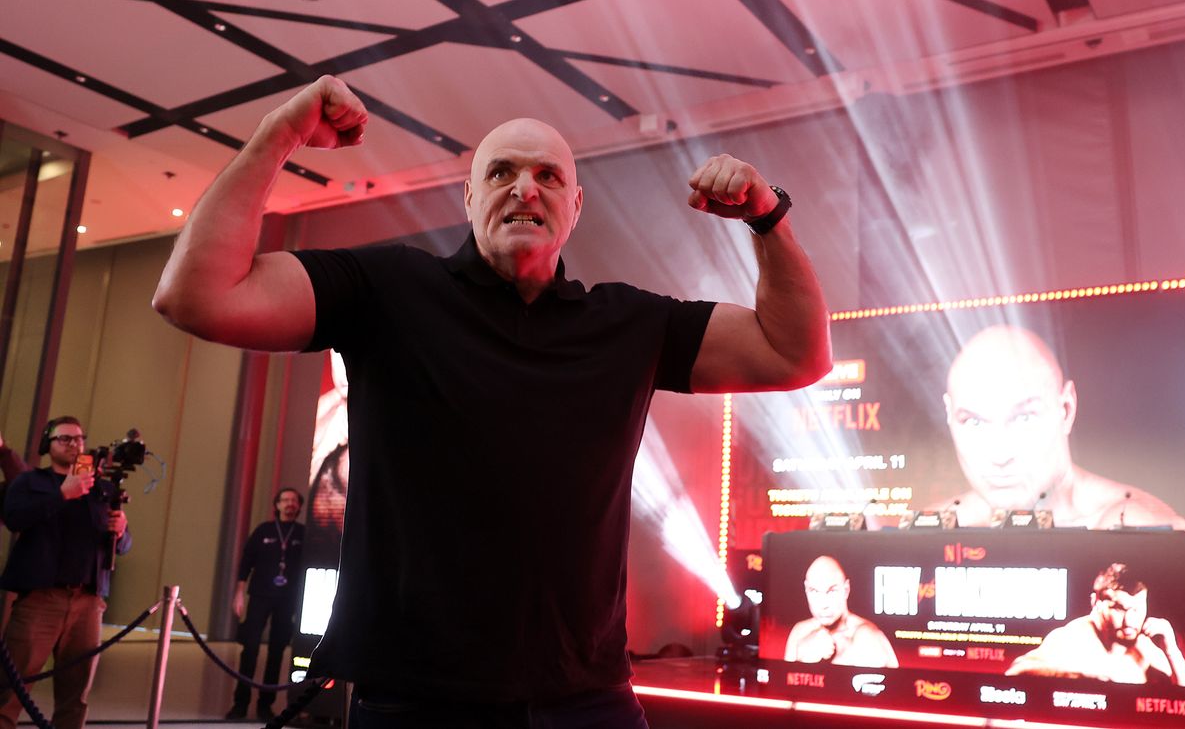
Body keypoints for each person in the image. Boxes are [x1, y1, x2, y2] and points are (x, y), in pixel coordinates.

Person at [152, 75, 831, 727]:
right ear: (470, 198)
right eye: (501, 173)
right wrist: (279, 134)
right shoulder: (388, 290)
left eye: (548, 176)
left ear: (575, 206)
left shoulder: (628, 325)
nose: (524, 190)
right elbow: (198, 295)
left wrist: (768, 219)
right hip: (415, 702)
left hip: (587, 698)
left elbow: (795, 354)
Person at [930, 325, 1185, 529]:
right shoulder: (926, 536)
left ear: (1066, 409)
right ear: (949, 415)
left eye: (1024, 418)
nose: (999, 455)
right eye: (974, 422)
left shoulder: (1144, 532)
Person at [0, 416, 132, 729]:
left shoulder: (102, 489)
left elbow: (121, 546)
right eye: (65, 439)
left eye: (79, 438)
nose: (74, 444)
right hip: (40, 600)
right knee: (11, 690)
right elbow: (15, 519)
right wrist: (62, 494)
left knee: (76, 695)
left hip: (88, 601)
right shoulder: (30, 482)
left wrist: (123, 532)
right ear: (48, 445)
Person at [1006, 563, 1185, 686]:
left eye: (1137, 610)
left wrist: (1172, 651)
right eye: (1119, 609)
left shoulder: (1145, 647)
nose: (1130, 620)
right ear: (1095, 603)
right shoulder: (1072, 638)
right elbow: (1015, 672)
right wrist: (1081, 678)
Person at [226, 487, 306, 721]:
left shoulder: (303, 533)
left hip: (288, 600)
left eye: (294, 500)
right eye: (285, 500)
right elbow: (246, 562)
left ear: (299, 506)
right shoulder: (264, 530)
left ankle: (265, 705)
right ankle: (240, 704)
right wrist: (239, 594)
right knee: (249, 649)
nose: (289, 504)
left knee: (277, 652)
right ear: (277, 505)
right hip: (260, 596)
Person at [783, 555, 898, 667]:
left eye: (832, 591)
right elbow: (782, 682)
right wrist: (803, 659)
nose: (823, 604)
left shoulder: (866, 637)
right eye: (814, 591)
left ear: (846, 590)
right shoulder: (800, 631)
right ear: (806, 589)